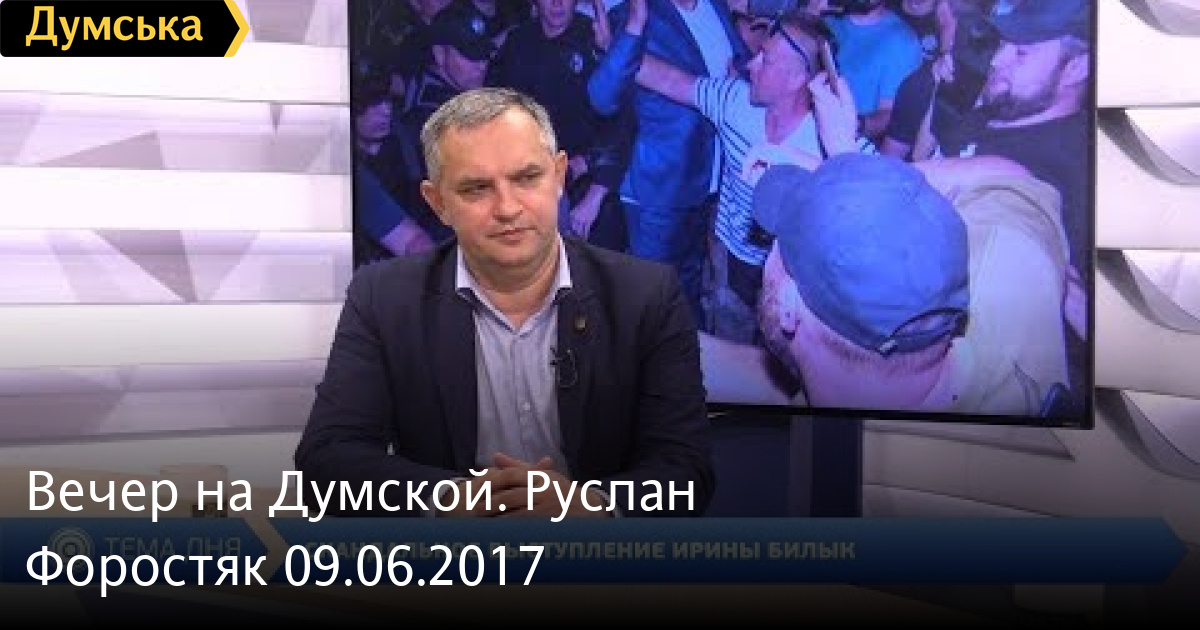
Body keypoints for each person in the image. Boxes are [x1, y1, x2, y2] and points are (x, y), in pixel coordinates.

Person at [296, 88, 714, 517]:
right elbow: (326, 463)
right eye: (476, 188)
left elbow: (687, 471)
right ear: (438, 203)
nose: (508, 208)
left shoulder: (645, 295)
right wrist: (445, 498)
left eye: (527, 178)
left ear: (559, 176)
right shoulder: (383, 298)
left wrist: (594, 505)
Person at [701, 152, 1072, 417]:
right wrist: (859, 192)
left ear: (788, 305)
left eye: (778, 241)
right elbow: (1010, 174)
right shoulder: (1018, 264)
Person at [592, 4, 871, 342]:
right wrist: (618, 46)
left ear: (798, 78)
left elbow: (881, 206)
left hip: (791, 277)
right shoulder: (735, 101)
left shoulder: (836, 141)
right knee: (727, 341)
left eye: (766, 59)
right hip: (728, 264)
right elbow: (669, 79)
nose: (749, 64)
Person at [588, 0, 748, 326]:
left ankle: (691, 352)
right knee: (655, 299)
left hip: (706, 181)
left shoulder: (714, 7)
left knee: (688, 286)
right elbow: (602, 97)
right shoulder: (633, 14)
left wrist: (741, 75)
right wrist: (635, 24)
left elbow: (741, 64)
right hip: (658, 189)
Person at [486, 0, 632, 252]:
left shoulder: (596, 39)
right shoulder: (518, 42)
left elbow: (623, 122)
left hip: (587, 177)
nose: (557, 4)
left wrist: (595, 192)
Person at [809, 0, 923, 142]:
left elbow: (893, 116)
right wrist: (809, 16)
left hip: (844, 142)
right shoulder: (825, 20)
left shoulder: (902, 41)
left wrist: (855, 125)